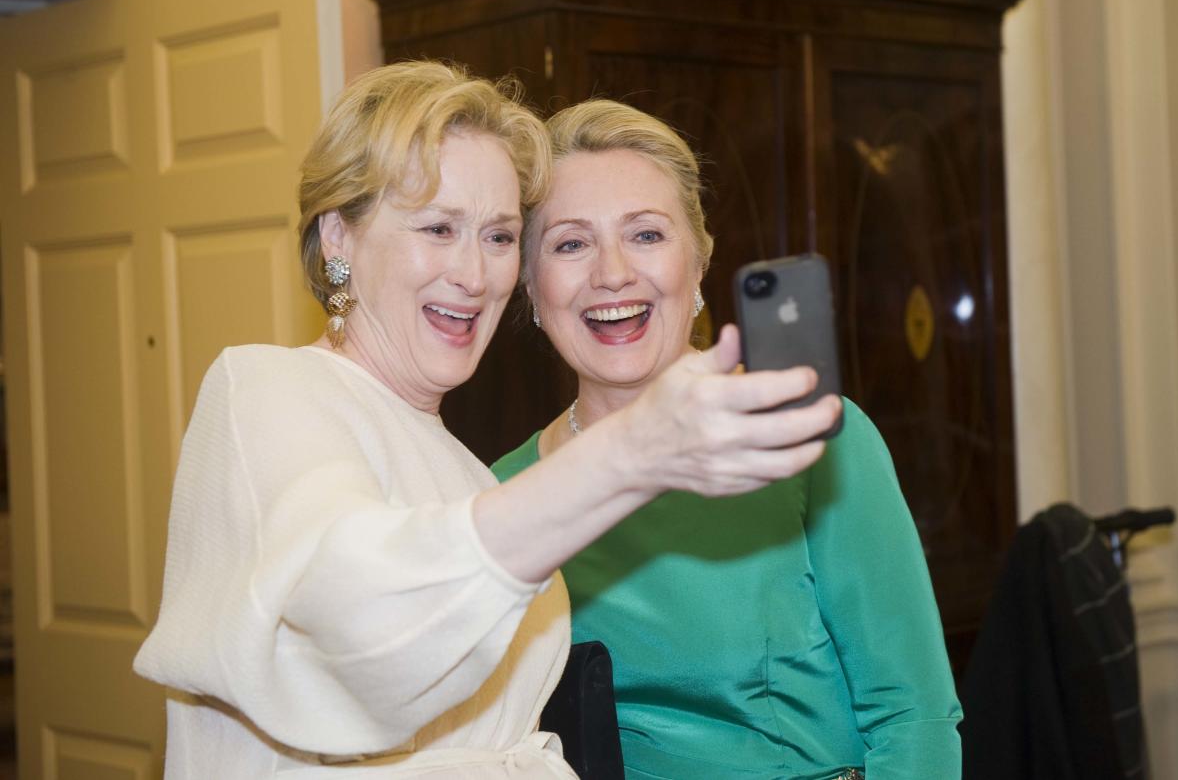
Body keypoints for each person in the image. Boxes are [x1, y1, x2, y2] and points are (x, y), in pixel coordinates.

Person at [133, 62, 840, 779]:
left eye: (500, 237)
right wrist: (632, 451)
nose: (474, 275)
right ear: (338, 238)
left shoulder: (468, 470)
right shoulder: (266, 389)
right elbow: (356, 619)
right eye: (439, 227)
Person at [493, 99, 963, 779]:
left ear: (699, 262)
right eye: (571, 243)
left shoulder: (809, 439)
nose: (613, 272)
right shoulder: (495, 494)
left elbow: (913, 714)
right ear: (531, 287)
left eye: (647, 235)